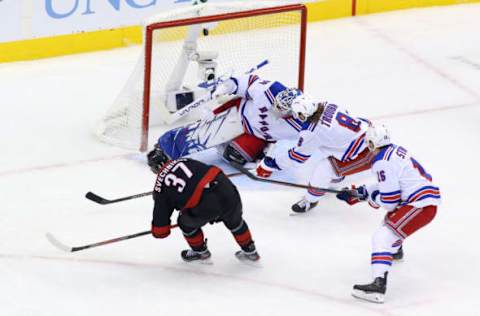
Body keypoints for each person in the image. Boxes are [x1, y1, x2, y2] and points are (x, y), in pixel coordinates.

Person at [336, 124, 441, 303]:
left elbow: (390, 201)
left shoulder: (381, 162)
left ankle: (378, 287)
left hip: (420, 204)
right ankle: (395, 250)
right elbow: (392, 186)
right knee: (389, 226)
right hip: (421, 200)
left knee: (382, 237)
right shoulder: (393, 151)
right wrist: (360, 192)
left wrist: (366, 198)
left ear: (371, 143)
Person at [147, 74, 313, 171]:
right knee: (202, 134)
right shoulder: (271, 91)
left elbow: (320, 141)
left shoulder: (305, 127)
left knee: (235, 157)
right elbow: (244, 82)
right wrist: (226, 87)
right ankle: (165, 148)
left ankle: (227, 144)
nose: (275, 109)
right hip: (238, 114)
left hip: (258, 135)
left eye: (281, 109)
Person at [255, 98, 375, 213]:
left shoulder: (312, 131)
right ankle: (337, 176)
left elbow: (298, 156)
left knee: (324, 169)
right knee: (325, 146)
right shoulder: (326, 104)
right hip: (369, 133)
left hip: (366, 152)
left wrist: (272, 164)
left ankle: (310, 200)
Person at [149, 149, 260, 263]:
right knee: (234, 220)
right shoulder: (185, 160)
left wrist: (159, 231)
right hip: (223, 185)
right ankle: (251, 252)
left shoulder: (160, 185)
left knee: (185, 223)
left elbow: (160, 223)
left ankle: (200, 252)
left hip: (205, 204)